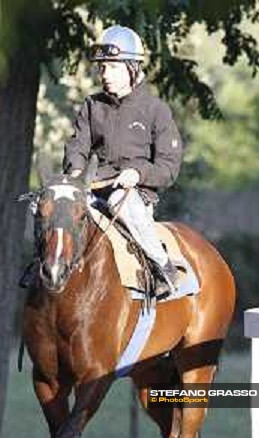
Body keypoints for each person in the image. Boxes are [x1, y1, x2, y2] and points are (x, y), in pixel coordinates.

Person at [64, 25, 184, 296]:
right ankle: (44, 270)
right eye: (102, 68)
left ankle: (164, 267)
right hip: (93, 189)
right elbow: (77, 146)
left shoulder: (156, 110)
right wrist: (76, 172)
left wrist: (137, 174)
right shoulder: (92, 106)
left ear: (133, 67)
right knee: (54, 205)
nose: (105, 74)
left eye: (113, 67)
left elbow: (169, 166)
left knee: (121, 200)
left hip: (133, 194)